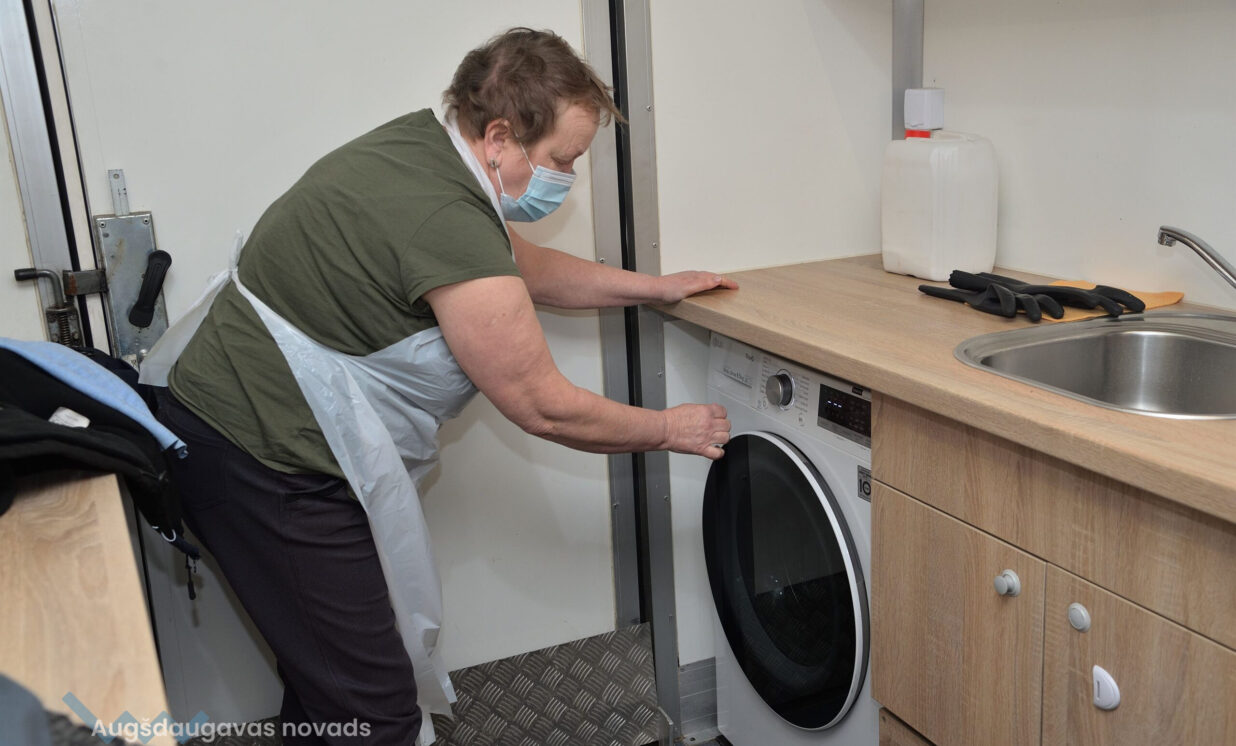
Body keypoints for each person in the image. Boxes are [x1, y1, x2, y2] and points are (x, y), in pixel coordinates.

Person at [146, 26, 736, 745]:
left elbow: (520, 266)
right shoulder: (445, 213)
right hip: (264, 461)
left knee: (330, 681)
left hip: (240, 436)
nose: (568, 179)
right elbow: (543, 406)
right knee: (375, 711)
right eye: (563, 160)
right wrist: (671, 428)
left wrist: (654, 288)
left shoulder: (426, 153)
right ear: (500, 137)